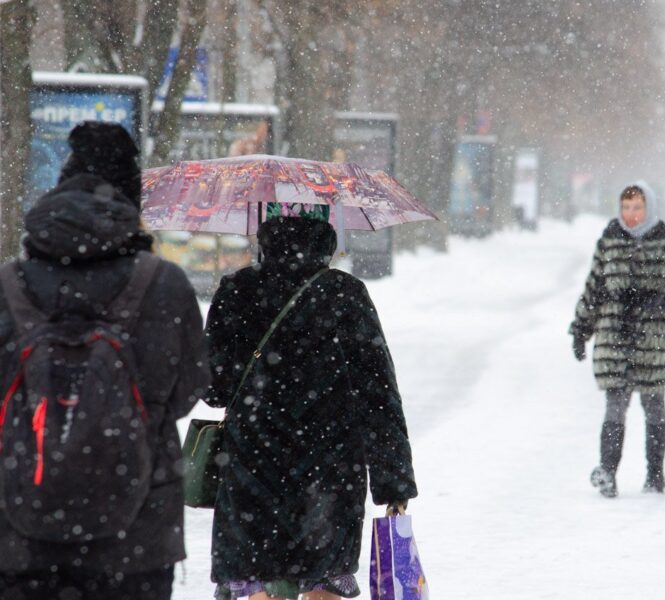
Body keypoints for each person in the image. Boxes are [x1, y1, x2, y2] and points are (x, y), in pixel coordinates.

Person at [0, 121, 210, 599]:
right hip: (136, 534)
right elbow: (189, 389)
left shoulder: (8, 285)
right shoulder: (165, 283)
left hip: (19, 525)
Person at [205, 206, 418, 600]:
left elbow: (214, 390)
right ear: (326, 239)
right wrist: (394, 481)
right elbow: (378, 394)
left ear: (265, 237)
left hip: (253, 467)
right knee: (323, 580)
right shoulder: (345, 293)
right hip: (330, 472)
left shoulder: (236, 290)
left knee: (257, 580)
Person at [569, 182, 665, 498]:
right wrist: (580, 328)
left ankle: (655, 475)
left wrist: (663, 300)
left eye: (637, 208)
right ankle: (608, 473)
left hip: (653, 338)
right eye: (626, 208)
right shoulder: (609, 241)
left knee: (653, 404)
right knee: (615, 404)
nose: (630, 215)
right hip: (613, 333)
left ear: (649, 208)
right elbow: (594, 288)